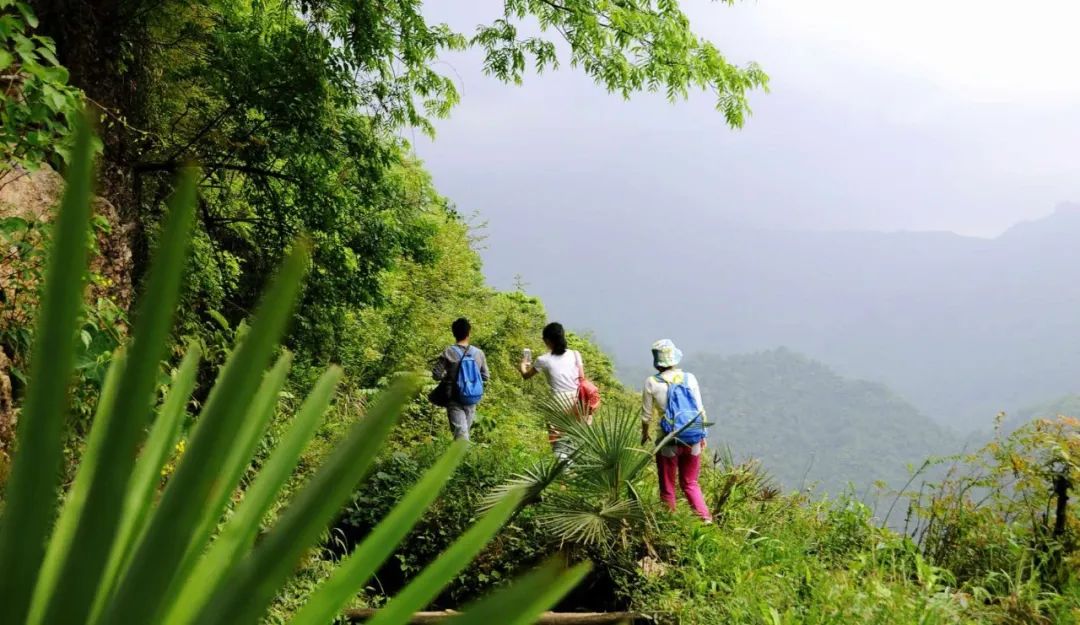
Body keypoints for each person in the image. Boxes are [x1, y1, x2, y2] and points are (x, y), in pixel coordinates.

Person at [641, 339, 712, 522]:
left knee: (668, 485)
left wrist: (645, 433)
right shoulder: (690, 378)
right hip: (693, 437)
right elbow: (700, 409)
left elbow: (646, 416)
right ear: (674, 359)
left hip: (668, 440)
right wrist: (702, 435)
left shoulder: (652, 382)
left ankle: (670, 523)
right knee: (690, 483)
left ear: (657, 362)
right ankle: (705, 519)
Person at [519, 322, 592, 456]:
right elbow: (582, 378)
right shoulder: (575, 354)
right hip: (579, 400)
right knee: (577, 436)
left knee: (558, 440)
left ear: (547, 340)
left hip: (558, 403)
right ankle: (576, 466)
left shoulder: (543, 360)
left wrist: (523, 365)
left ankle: (564, 468)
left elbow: (526, 376)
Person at [432, 318, 490, 441]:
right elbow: (485, 376)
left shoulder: (448, 352)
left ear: (454, 333)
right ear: (469, 333)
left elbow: (436, 374)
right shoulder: (478, 353)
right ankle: (462, 458)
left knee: (460, 435)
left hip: (454, 398)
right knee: (463, 434)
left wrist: (449, 378)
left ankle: (460, 458)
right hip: (472, 398)